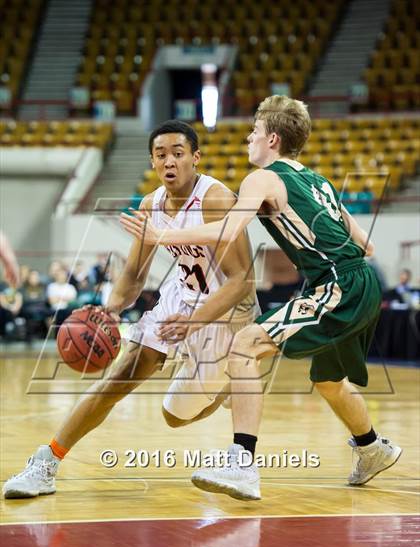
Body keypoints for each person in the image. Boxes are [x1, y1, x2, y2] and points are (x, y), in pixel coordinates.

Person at [121, 96, 402, 500]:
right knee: (328, 381)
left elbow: (224, 232)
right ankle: (372, 448)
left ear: (272, 138)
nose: (247, 140)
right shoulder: (316, 180)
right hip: (362, 283)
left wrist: (160, 234)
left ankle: (243, 464)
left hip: (337, 285)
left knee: (244, 344)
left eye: (253, 132)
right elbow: (367, 245)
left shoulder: (262, 178)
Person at [2, 120, 258, 499]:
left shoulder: (215, 199)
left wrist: (193, 322)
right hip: (180, 296)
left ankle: (223, 391)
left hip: (225, 313)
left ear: (195, 158)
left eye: (178, 153)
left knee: (174, 418)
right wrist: (107, 311)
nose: (169, 161)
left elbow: (242, 282)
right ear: (152, 162)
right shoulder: (151, 204)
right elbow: (134, 276)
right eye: (160, 155)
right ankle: (47, 462)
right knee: (120, 377)